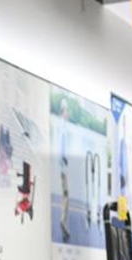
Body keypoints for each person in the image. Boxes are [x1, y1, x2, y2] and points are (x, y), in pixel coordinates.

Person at [57, 97, 71, 243]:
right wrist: (63, 161)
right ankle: (63, 221)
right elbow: (61, 147)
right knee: (66, 196)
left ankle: (64, 222)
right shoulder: (62, 128)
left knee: (65, 196)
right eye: (67, 111)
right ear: (63, 112)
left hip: (63, 167)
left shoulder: (62, 127)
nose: (68, 114)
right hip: (63, 168)